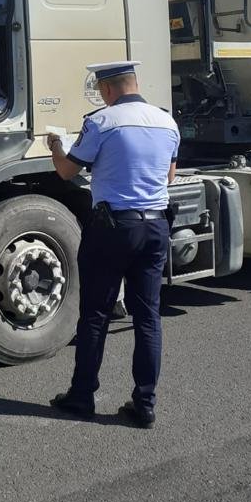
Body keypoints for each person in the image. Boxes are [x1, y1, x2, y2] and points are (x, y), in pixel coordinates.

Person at [46, 61, 180, 428]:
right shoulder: (167, 122)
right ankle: (145, 404)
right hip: (155, 227)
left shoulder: (102, 122)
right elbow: (168, 175)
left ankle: (82, 395)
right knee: (148, 317)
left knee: (96, 314)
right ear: (135, 83)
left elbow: (67, 170)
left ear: (106, 90)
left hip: (113, 228)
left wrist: (57, 145)